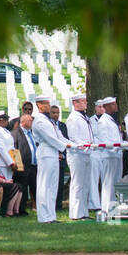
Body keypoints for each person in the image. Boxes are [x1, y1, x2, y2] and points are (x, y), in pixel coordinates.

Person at [31, 95, 74, 223]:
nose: (49, 106)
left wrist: (75, 145)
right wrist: (65, 147)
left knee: (53, 186)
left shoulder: (49, 121)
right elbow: (50, 138)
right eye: (46, 104)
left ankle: (51, 215)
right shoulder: (39, 120)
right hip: (45, 153)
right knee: (45, 185)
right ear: (39, 105)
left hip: (54, 153)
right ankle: (44, 216)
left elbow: (59, 136)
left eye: (49, 104)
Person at [64, 94, 95, 220]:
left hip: (87, 152)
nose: (85, 103)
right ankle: (76, 213)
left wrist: (91, 144)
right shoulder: (73, 118)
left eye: (85, 101)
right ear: (75, 103)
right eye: (82, 101)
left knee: (86, 183)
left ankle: (84, 211)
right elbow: (73, 136)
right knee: (77, 184)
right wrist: (83, 144)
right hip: (77, 153)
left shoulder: (85, 117)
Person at [93, 99, 123, 216]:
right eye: (113, 104)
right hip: (109, 155)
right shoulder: (103, 121)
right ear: (107, 106)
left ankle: (114, 210)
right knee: (108, 184)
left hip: (116, 155)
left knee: (115, 183)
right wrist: (116, 147)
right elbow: (105, 140)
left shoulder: (112, 120)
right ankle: (106, 209)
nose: (116, 106)